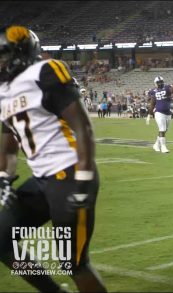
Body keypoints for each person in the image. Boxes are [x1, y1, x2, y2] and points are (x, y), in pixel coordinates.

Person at [0, 25, 106, 292]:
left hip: (70, 175)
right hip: (42, 181)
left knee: (74, 263)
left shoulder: (45, 72)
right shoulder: (2, 92)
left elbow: (83, 128)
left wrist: (82, 183)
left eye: (2, 55)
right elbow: (9, 147)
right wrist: (3, 179)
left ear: (20, 52)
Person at [146, 75, 173, 153]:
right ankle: (163, 147)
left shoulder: (167, 87)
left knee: (164, 130)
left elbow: (172, 89)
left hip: (168, 113)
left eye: (160, 82)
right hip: (159, 112)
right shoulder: (153, 91)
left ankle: (156, 145)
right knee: (162, 129)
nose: (160, 83)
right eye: (158, 82)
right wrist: (149, 114)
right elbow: (152, 103)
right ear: (155, 83)